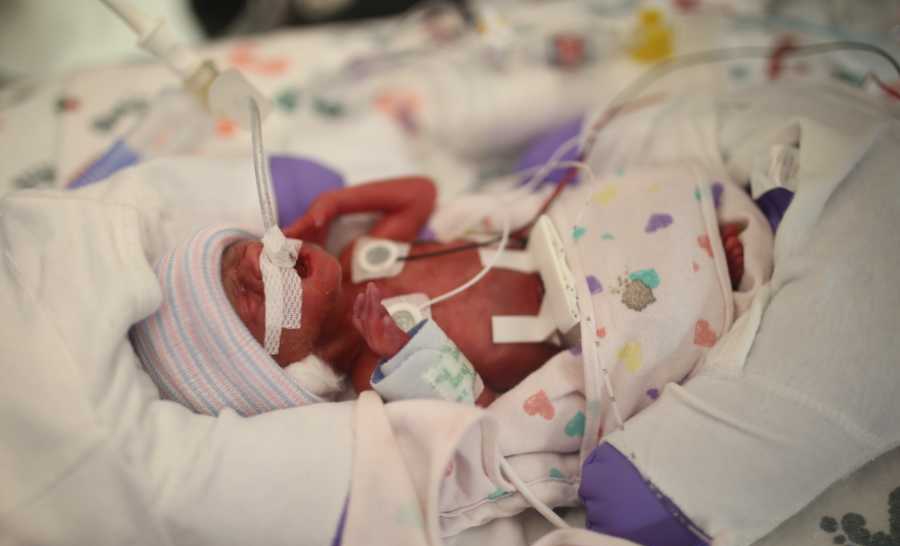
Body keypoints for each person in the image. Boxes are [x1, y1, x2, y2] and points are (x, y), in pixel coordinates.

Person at [131, 173, 747, 416]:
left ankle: (708, 243)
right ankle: (710, 270)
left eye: (251, 252)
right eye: (251, 290)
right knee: (667, 319)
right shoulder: (378, 371)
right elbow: (483, 412)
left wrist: (338, 204)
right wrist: (413, 348)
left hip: (561, 247)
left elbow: (420, 195)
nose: (270, 260)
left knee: (637, 200)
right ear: (280, 361)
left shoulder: (364, 257)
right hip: (587, 325)